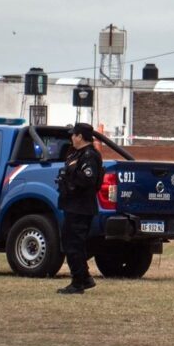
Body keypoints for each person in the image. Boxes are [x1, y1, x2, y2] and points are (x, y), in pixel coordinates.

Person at [56, 122, 103, 295]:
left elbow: (88, 180)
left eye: (73, 135)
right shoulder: (77, 154)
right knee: (71, 242)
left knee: (74, 244)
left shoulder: (90, 155)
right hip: (73, 205)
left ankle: (77, 283)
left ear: (80, 136)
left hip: (81, 207)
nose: (71, 138)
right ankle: (84, 278)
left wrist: (70, 176)